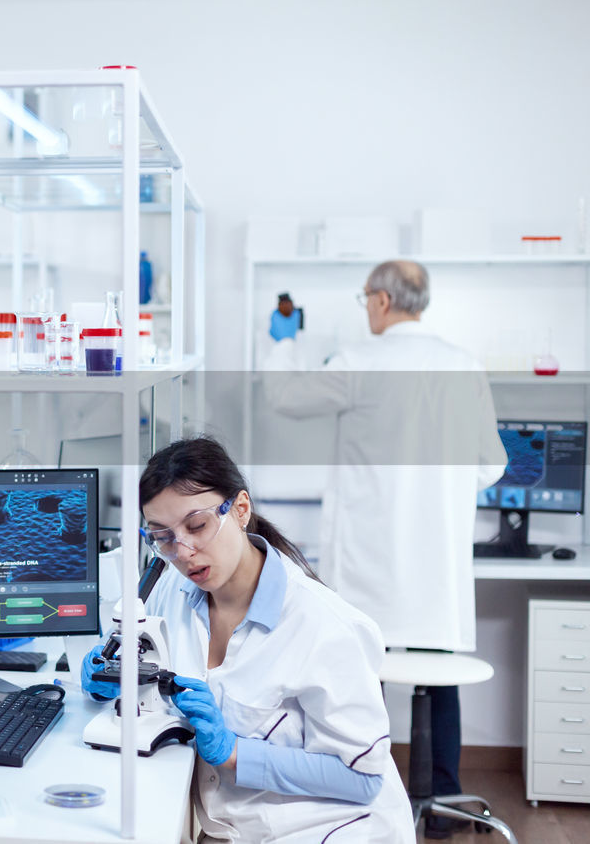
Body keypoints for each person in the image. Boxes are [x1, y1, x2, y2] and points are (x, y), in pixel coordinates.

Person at [261, 259, 506, 836]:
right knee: (437, 678)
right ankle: (442, 803)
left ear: (379, 302)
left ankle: (364, 799)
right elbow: (491, 464)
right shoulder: (462, 363)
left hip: (369, 572)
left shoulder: (360, 362)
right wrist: (439, 491)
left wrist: (284, 341)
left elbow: (283, 395)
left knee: (357, 677)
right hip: (437, 574)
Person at [82, 437, 415, 842]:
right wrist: (106, 672)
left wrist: (234, 752)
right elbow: (133, 651)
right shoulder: (171, 588)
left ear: (240, 509)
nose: (183, 552)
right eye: (162, 536)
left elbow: (363, 778)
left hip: (328, 830)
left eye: (197, 526)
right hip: (232, 829)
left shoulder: (323, 625)